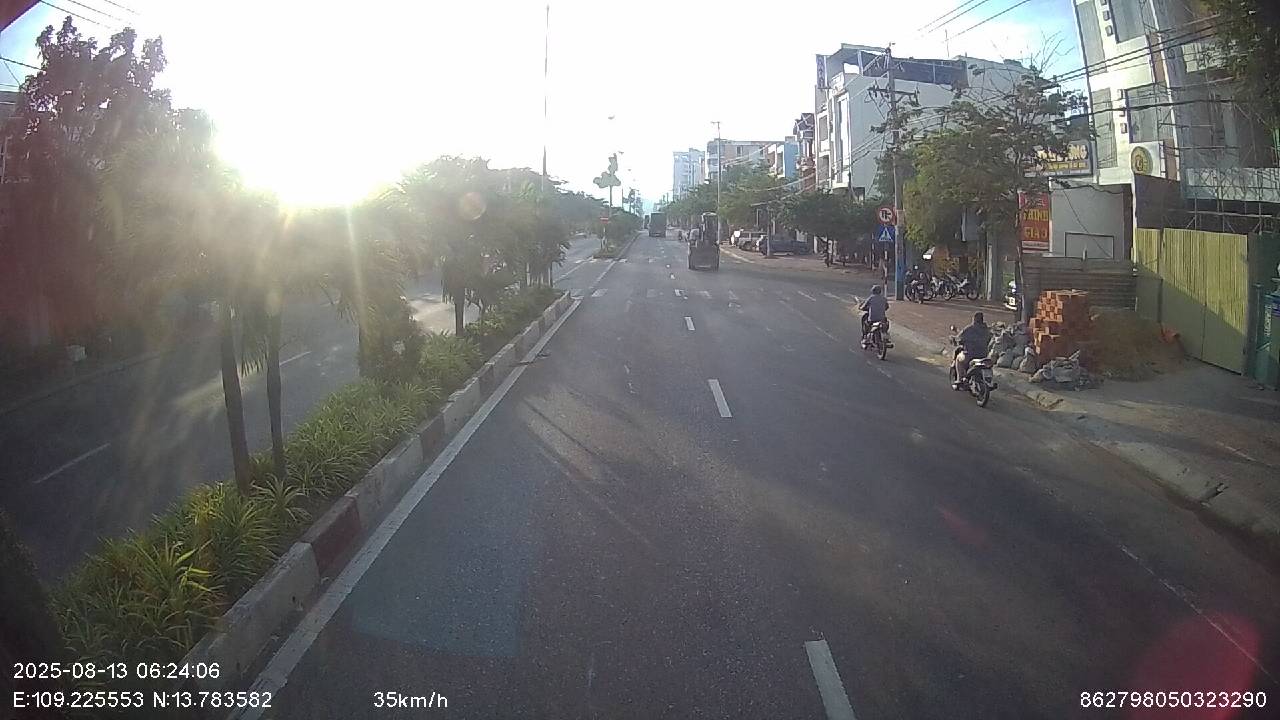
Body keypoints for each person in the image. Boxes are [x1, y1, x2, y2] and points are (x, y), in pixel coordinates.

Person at [953, 311, 992, 388]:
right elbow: (989, 340)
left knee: (958, 359)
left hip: (970, 354)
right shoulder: (986, 330)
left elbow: (960, 338)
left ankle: (959, 379)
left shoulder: (969, 329)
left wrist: (956, 340)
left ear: (974, 319)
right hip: (983, 355)